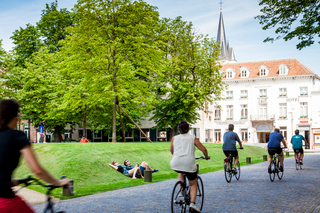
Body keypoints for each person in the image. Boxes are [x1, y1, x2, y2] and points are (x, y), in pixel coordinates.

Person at [0, 99, 70, 213]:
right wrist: (58, 182)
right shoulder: (16, 136)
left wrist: (16, 181)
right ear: (14, 117)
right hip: (4, 201)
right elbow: (37, 170)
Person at [170, 121, 210, 213]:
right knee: (193, 183)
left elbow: (172, 150)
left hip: (176, 163)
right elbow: (203, 148)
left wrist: (177, 156)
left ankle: (181, 191)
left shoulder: (174, 138)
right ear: (188, 129)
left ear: (179, 129)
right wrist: (207, 157)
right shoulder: (193, 138)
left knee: (180, 171)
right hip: (189, 163)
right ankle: (192, 203)